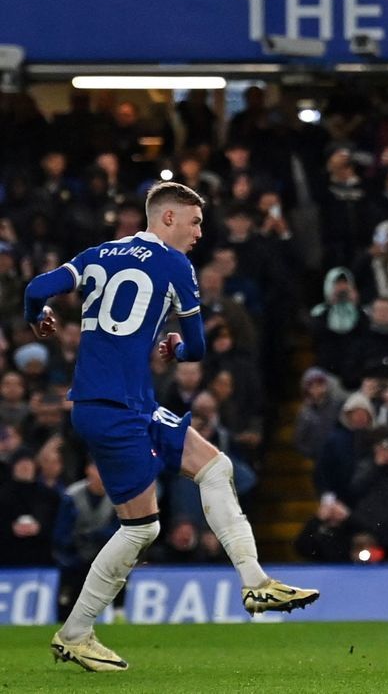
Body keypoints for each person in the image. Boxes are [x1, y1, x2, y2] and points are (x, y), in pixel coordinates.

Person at [24, 182, 317, 672]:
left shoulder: (98, 253)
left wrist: (41, 318)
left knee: (216, 466)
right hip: (113, 408)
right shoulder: (174, 265)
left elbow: (35, 289)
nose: (200, 232)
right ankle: (75, 632)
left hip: (124, 404)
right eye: (194, 221)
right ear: (166, 219)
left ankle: (257, 583)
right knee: (142, 527)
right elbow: (197, 350)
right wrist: (176, 347)